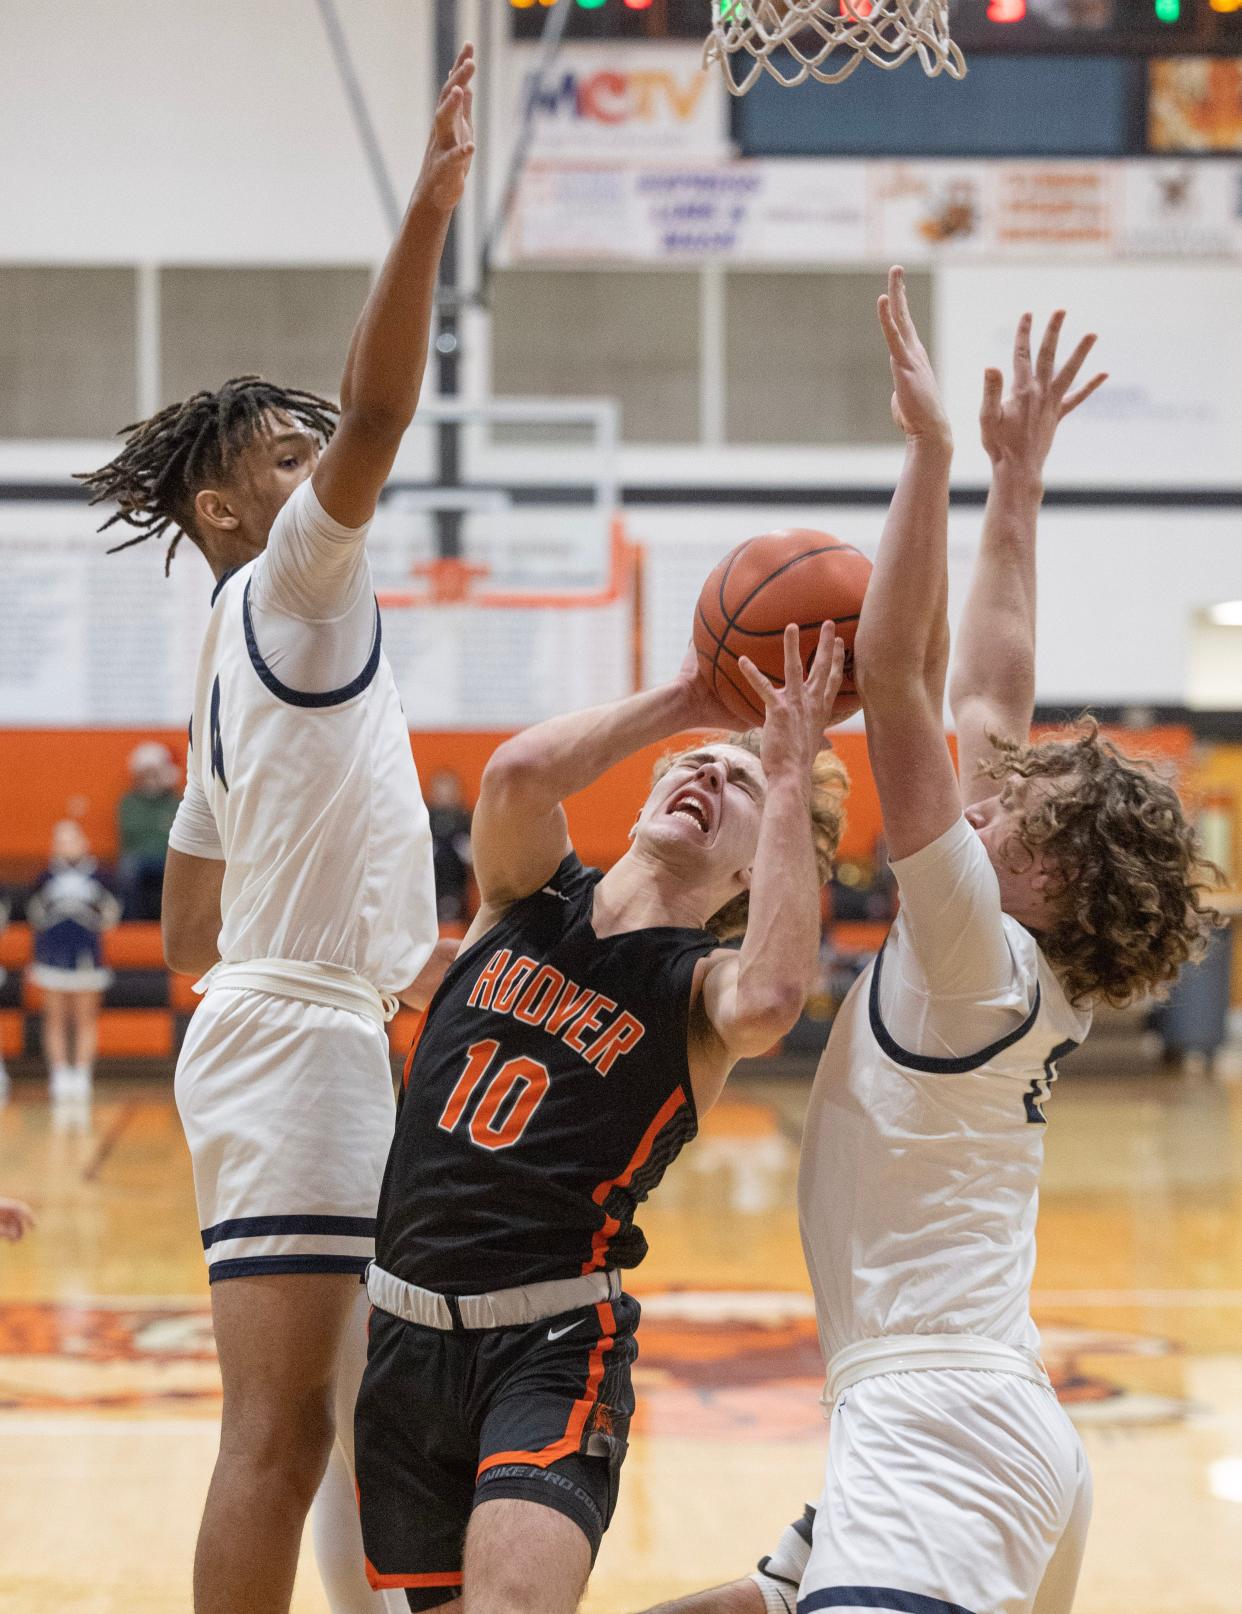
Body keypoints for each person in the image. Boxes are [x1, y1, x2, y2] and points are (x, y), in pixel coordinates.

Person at [633, 274, 1218, 1614]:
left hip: (937, 1424)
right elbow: (989, 681)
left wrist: (932, 453)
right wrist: (1015, 491)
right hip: (979, 1414)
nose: (989, 784)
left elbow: (899, 673)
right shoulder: (1028, 969)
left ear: (1049, 871)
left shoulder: (967, 950)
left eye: (1016, 802)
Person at [79, 46, 476, 1614]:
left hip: (300, 1021)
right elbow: (384, 401)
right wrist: (431, 212)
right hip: (300, 1032)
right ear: (228, 511)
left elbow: (183, 929)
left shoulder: (236, 656)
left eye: (313, 436)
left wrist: (269, 979)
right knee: (275, 1431)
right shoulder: (292, 582)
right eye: (282, 448)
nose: (318, 451)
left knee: (345, 1410)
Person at [353, 625, 851, 1613]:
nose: (709, 775)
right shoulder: (525, 898)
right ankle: (769, 1599)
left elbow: (772, 997)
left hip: (548, 1346)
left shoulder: (700, 989)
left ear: (758, 868)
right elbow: (517, 777)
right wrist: (688, 699)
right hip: (401, 1338)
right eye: (693, 767)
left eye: (738, 786)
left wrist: (791, 778)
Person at [27, 819, 121, 1121]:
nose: (67, 846)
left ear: (84, 843)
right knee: (54, 1017)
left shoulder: (101, 877)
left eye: (72, 840)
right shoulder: (44, 878)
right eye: (61, 841)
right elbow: (34, 914)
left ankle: (81, 1075)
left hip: (87, 958)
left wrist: (90, 903)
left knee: (84, 1017)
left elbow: (112, 915)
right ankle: (59, 1075)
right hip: (52, 956)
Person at [116, 740, 181, 920]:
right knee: (128, 869)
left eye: (155, 774)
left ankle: (177, 921)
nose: (151, 779)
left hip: (168, 857)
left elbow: (176, 836)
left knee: (185, 868)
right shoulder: (129, 802)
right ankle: (131, 924)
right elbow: (133, 833)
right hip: (139, 858)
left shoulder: (176, 802)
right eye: (147, 774)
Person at [427, 768, 474, 924]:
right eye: (440, 790)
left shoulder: (467, 820)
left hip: (460, 892)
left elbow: (479, 861)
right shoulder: (423, 822)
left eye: (449, 789)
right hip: (430, 895)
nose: (444, 795)